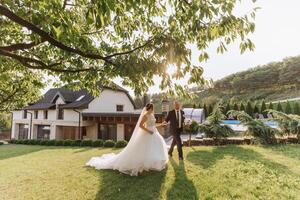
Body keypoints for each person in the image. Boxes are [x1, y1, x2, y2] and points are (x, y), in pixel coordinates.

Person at [86, 103, 168, 176]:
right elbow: (141, 125)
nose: (152, 110)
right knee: (144, 149)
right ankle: (143, 163)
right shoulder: (145, 116)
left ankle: (156, 162)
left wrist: (161, 124)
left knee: (157, 145)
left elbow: (153, 125)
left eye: (152, 109)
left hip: (154, 133)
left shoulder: (152, 115)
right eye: (151, 108)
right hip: (147, 134)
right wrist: (148, 131)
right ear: (148, 109)